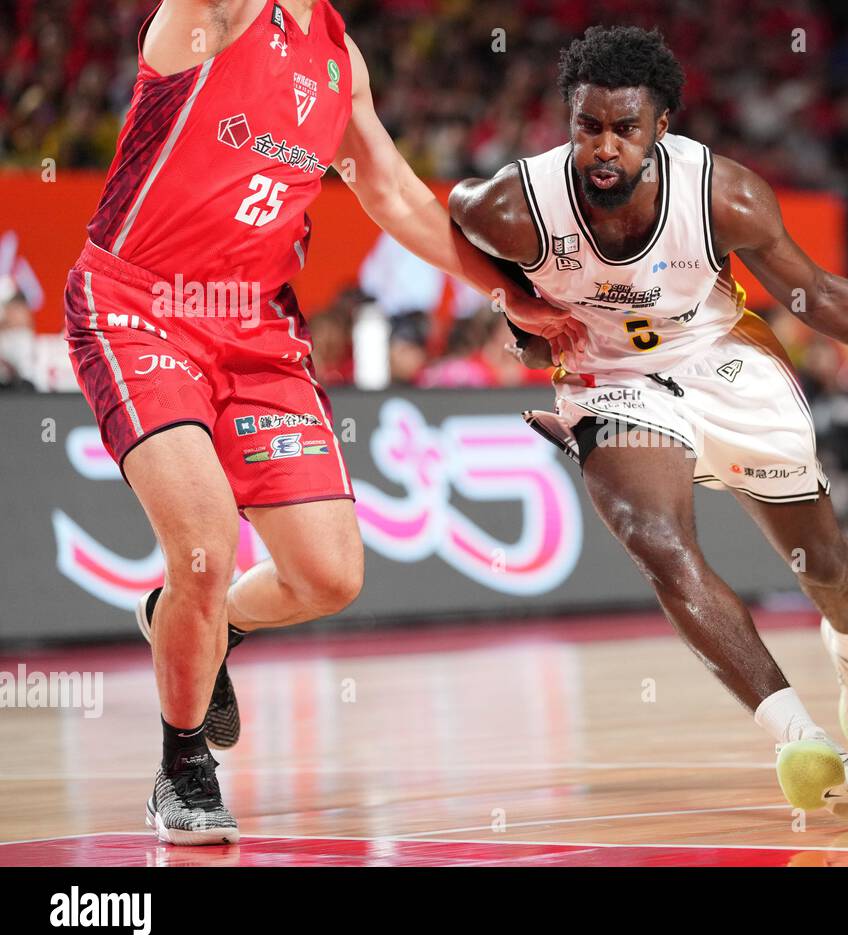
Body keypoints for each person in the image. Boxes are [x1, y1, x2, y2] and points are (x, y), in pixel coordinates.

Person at [62, 0, 577, 846]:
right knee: (205, 539)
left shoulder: (340, 57)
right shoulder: (214, 15)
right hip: (139, 305)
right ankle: (182, 768)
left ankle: (207, 624)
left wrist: (508, 292)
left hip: (258, 327)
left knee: (329, 576)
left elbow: (396, 195)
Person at [450, 26, 848, 817]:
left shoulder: (722, 193)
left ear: (662, 128)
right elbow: (449, 220)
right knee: (656, 539)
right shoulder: (517, 203)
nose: (603, 148)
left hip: (721, 356)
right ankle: (801, 739)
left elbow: (815, 294)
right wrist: (514, 306)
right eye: (588, 126)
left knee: (825, 562)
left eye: (625, 129)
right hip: (610, 378)